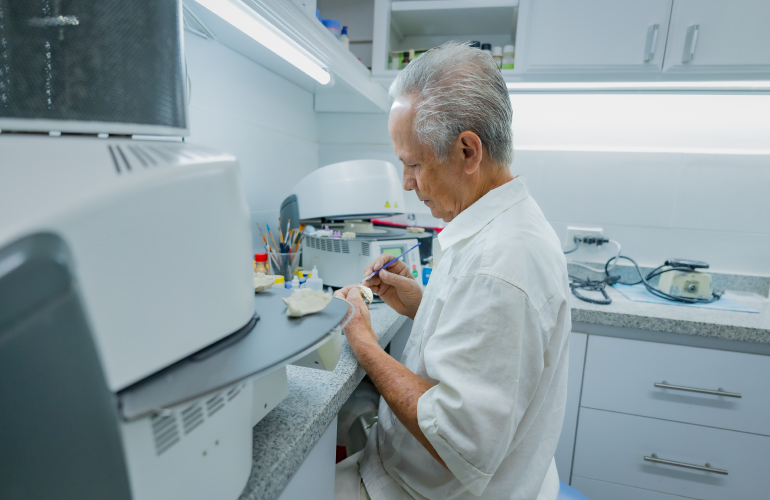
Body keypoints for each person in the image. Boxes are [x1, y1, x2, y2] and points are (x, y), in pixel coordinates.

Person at [333, 41, 570, 500]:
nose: (406, 182)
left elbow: (456, 436)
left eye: (413, 164)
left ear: (467, 150)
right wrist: (422, 305)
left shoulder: (501, 264)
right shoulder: (495, 224)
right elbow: (483, 337)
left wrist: (361, 340)